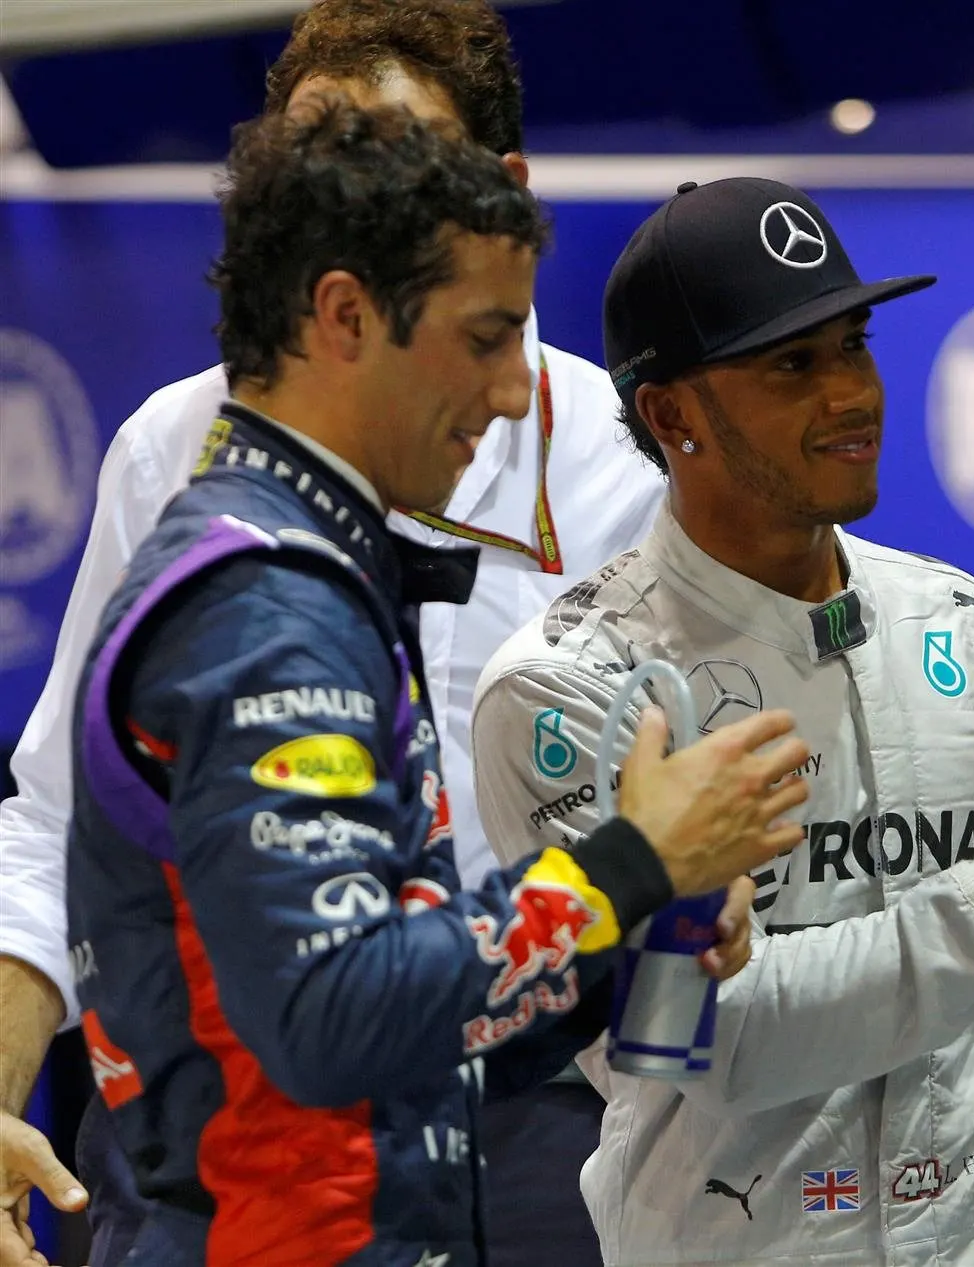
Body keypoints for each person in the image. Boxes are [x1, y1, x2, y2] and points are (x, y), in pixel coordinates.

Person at [64, 100, 811, 1267]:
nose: (518, 391)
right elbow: (334, 1022)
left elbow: (407, 1033)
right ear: (345, 315)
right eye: (485, 337)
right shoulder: (265, 610)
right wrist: (628, 864)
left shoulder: (305, 570)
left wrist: (611, 947)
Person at [0, 4, 668, 1264]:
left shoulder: (624, 453)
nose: (331, 206)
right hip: (250, 1159)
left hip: (520, 1118)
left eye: (385, 168)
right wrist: (631, 874)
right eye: (310, 164)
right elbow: (324, 1003)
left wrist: (648, 921)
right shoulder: (243, 551)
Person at [470, 177, 974, 1266]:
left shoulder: (962, 620)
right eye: (793, 363)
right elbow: (709, 1040)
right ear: (671, 415)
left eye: (855, 342)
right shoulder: (571, 690)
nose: (852, 391)